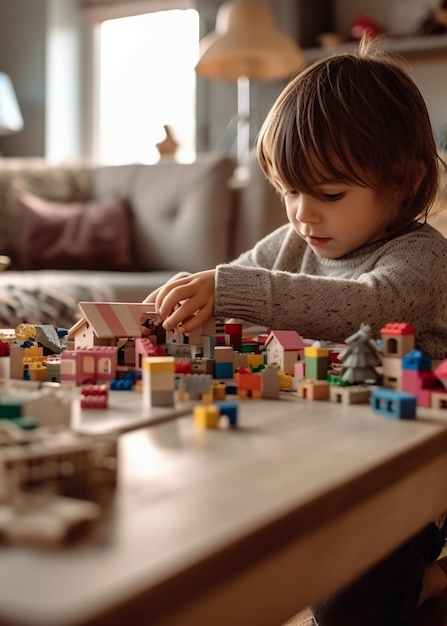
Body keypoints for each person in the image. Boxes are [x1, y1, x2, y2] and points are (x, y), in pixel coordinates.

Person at [146, 37, 447, 625]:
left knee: (352, 605)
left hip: (404, 488)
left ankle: (433, 577)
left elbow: (364, 305)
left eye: (330, 195)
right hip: (316, 463)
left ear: (405, 180)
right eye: (289, 191)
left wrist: (228, 287)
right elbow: (233, 283)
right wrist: (193, 300)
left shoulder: (425, 259)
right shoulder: (293, 240)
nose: (303, 213)